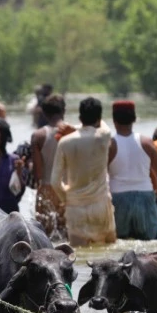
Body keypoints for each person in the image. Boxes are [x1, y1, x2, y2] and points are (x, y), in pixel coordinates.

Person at [50, 97, 116, 247]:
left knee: (79, 255)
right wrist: (75, 128)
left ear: (80, 117)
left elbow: (55, 181)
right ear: (99, 118)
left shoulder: (65, 142)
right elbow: (103, 126)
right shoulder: (103, 136)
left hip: (75, 209)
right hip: (101, 205)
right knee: (109, 252)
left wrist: (66, 199)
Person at [107, 100, 157, 240]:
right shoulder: (147, 143)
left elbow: (101, 177)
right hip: (145, 198)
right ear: (134, 119)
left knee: (120, 250)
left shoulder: (109, 145)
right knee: (150, 249)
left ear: (114, 119)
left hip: (118, 200)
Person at [30, 93, 67, 239]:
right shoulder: (73, 133)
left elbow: (38, 174)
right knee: (68, 238)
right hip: (68, 190)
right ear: (64, 111)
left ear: (44, 113)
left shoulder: (38, 136)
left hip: (46, 190)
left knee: (46, 237)